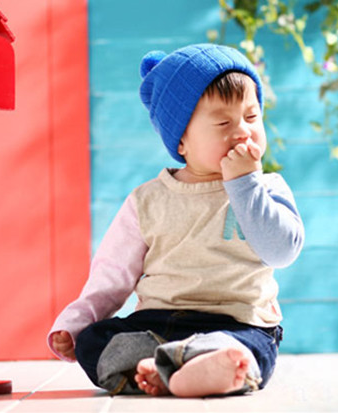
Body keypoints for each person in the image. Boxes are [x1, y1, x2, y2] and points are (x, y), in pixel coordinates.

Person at [48, 43, 305, 398]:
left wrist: (244, 185)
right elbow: (111, 276)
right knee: (94, 341)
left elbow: (281, 252)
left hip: (238, 324)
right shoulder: (148, 200)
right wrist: (76, 324)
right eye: (223, 122)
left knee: (247, 350)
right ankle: (170, 364)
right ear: (181, 139)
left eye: (251, 117)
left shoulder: (266, 187)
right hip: (159, 323)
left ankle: (196, 364)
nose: (243, 132)